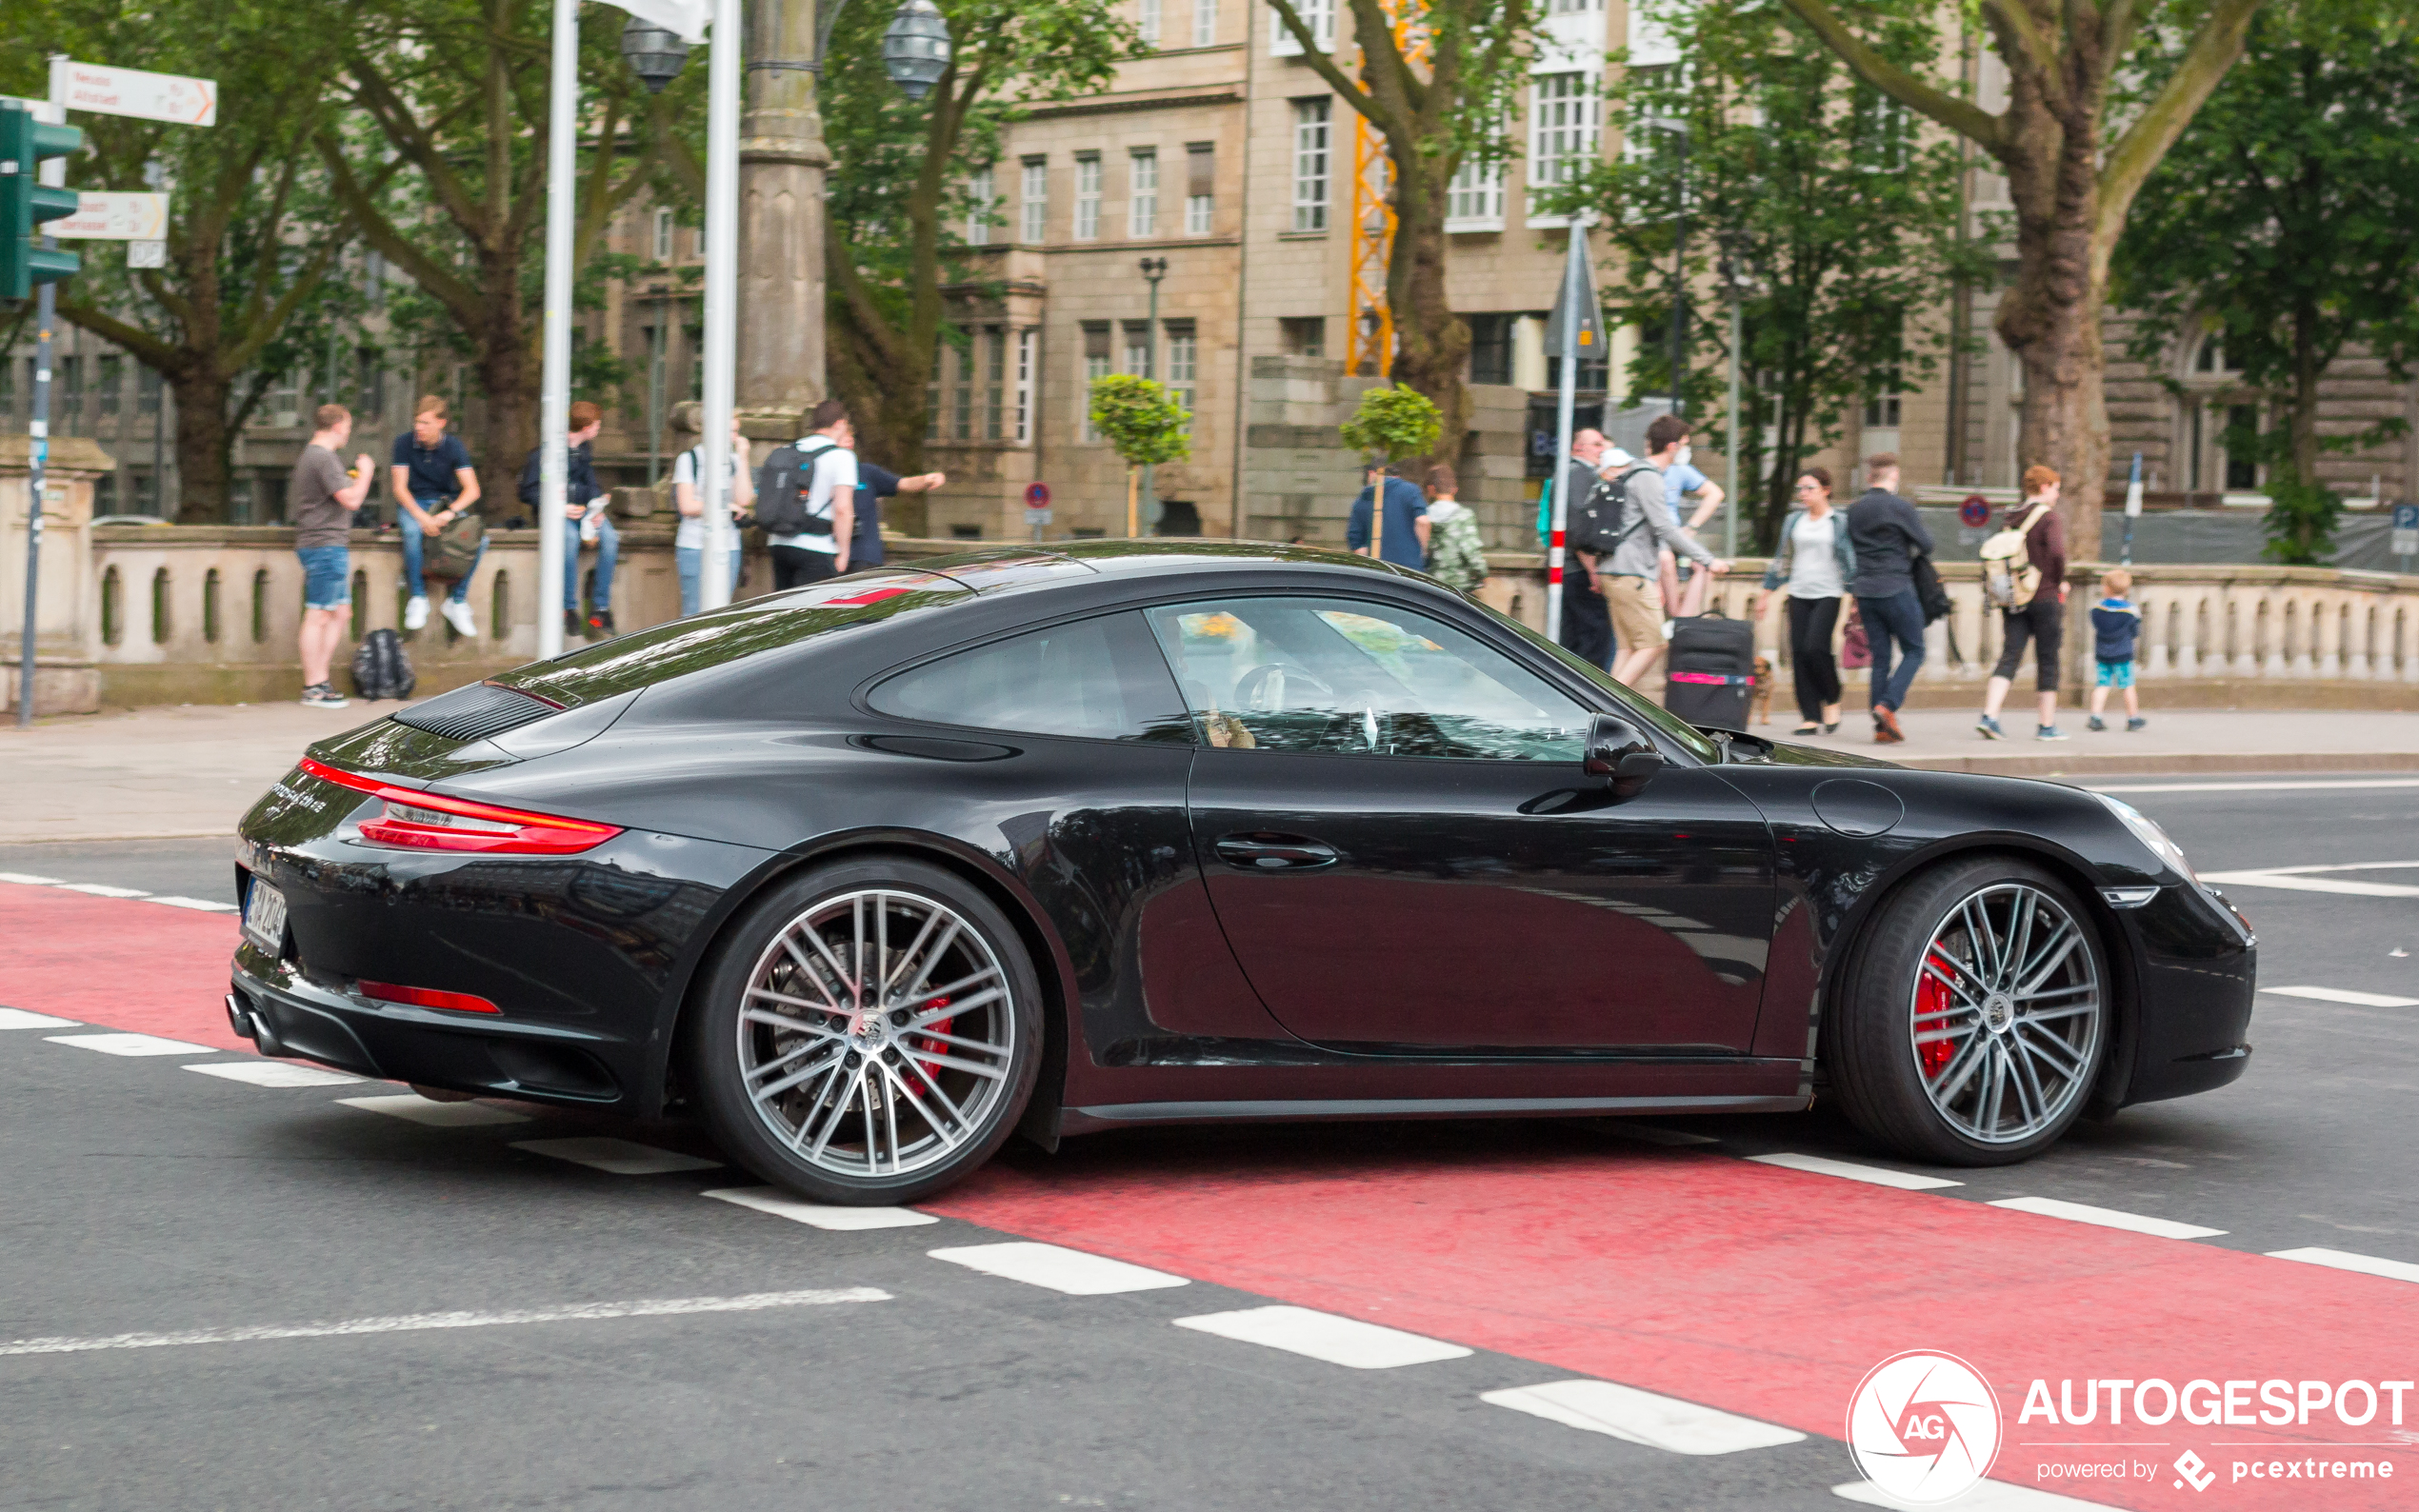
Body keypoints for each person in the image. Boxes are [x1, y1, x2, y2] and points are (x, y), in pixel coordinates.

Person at [1603, 415, 1729, 689]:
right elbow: (1665, 528)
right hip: (1631, 572)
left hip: (1615, 569)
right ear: (1672, 446)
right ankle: (1607, 706)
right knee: (1654, 644)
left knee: (1628, 648)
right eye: (1685, 443)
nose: (1687, 449)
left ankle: (1601, 705)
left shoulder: (1634, 471)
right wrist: (1708, 560)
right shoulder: (1648, 477)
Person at [1754, 467, 1856, 735]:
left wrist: (1856, 594)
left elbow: (1850, 559)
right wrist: (1766, 593)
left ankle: (1832, 698)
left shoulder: (1839, 521)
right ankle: (1810, 716)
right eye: (1801, 489)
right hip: (1798, 591)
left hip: (1829, 592)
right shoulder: (1793, 521)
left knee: (1816, 648)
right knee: (1798, 653)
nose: (1803, 494)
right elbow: (1781, 558)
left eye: (1810, 488)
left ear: (1826, 490)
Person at [290, 405, 377, 709]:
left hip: (327, 544)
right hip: (324, 545)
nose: (349, 434)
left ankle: (321, 680)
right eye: (348, 427)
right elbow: (352, 500)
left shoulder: (314, 456)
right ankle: (313, 687)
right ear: (339, 425)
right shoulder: (322, 458)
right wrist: (366, 474)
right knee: (318, 614)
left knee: (340, 614)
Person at [1846, 451, 1935, 744]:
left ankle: (1882, 727)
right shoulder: (1900, 507)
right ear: (1893, 475)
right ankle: (1888, 705)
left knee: (1881, 656)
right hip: (1896, 586)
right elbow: (1926, 544)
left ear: (1870, 476)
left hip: (1866, 591)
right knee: (1914, 649)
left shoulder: (1855, 508)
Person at [1979, 465, 2071, 741]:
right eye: (2055, 488)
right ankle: (2046, 726)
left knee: (2010, 654)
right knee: (2048, 658)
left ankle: (1990, 716)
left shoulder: (2011, 516)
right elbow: (2056, 552)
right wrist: (2058, 581)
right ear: (2044, 487)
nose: (2057, 494)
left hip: (2012, 596)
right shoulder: (2048, 518)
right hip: (2043, 596)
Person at [518, 400, 615, 638]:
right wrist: (560, 508)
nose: (598, 429)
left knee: (611, 538)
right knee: (569, 540)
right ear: (586, 427)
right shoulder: (546, 452)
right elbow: (527, 491)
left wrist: (597, 504)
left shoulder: (584, 450)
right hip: (557, 514)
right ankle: (568, 608)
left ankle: (600, 608)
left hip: (583, 512)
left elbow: (589, 483)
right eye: (597, 425)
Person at [387, 396, 483, 636]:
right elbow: (399, 488)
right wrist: (422, 518)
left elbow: (472, 490)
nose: (419, 428)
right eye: (417, 422)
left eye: (426, 423)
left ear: (441, 423)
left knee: (481, 540)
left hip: (444, 505)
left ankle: (457, 601)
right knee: (411, 532)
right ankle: (418, 597)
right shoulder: (403, 444)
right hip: (415, 503)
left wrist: (448, 514)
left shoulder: (454, 447)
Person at [762, 397, 857, 588]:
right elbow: (842, 508)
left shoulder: (788, 450)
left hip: (779, 543)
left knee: (783, 611)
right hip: (816, 547)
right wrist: (844, 552)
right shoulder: (842, 456)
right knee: (814, 614)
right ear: (839, 424)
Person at [671, 414, 754, 616]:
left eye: (737, 431)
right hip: (694, 544)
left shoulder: (733, 461)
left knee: (721, 610)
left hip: (729, 544)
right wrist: (725, 508)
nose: (735, 436)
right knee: (693, 611)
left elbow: (744, 499)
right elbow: (687, 505)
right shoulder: (690, 459)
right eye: (731, 431)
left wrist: (743, 457)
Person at [1553, 428, 1616, 670]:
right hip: (1579, 571)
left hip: (1572, 569)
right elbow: (1577, 527)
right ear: (1578, 448)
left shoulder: (1573, 474)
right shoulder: (1580, 475)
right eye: (1597, 445)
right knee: (1593, 644)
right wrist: (1593, 569)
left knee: (1574, 641)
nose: (1603, 450)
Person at [1655, 443, 1728, 619]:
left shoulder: (1680, 470)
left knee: (1705, 565)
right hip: (1655, 534)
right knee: (1665, 561)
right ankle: (1675, 614)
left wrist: (1692, 526)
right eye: (1684, 443)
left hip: (1674, 534)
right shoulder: (1647, 472)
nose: (1686, 448)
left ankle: (1683, 618)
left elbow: (1715, 494)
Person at [850, 461, 945, 568]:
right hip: (830, 554)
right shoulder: (827, 470)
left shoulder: (865, 472)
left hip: (864, 556)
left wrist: (928, 479)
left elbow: (903, 483)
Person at [2089, 567, 2148, 732]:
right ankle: (2132, 718)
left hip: (2102, 652)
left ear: (2106, 588)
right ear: (2126, 590)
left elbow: (2094, 623)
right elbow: (2135, 632)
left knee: (2102, 684)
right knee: (2128, 686)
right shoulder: (2131, 610)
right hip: (2123, 653)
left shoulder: (2097, 608)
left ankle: (2096, 716)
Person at [1347, 461, 1429, 567]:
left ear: (1371, 473)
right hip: (1410, 567)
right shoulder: (1411, 491)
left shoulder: (1363, 499)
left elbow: (1357, 544)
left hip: (1378, 570)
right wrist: (1423, 551)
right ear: (1397, 475)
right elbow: (1422, 521)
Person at [1419, 462, 1487, 592]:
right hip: (1459, 585)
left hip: (1432, 582)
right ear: (1454, 489)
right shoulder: (1463, 516)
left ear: (1431, 489)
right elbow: (1470, 550)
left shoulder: (1424, 516)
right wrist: (1482, 574)